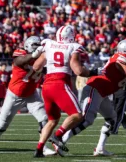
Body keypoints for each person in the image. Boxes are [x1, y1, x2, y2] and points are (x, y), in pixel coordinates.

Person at [60, 39, 126, 156]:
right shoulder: (121, 58)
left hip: (102, 93)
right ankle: (61, 140)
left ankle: (100, 148)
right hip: (95, 89)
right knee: (87, 120)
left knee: (112, 119)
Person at [0, 36, 55, 156]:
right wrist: (34, 55)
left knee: (44, 118)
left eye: (39, 46)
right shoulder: (21, 52)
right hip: (14, 94)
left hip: (31, 94)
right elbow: (19, 61)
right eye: (36, 46)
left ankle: (43, 147)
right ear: (29, 45)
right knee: (3, 122)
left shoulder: (42, 57)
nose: (38, 48)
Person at [32, 25, 98, 157]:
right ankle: (57, 136)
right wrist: (95, 72)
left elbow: (36, 66)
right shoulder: (73, 47)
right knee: (77, 115)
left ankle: (39, 150)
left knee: (52, 120)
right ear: (71, 36)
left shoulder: (49, 45)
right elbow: (78, 71)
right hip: (60, 83)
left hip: (47, 85)